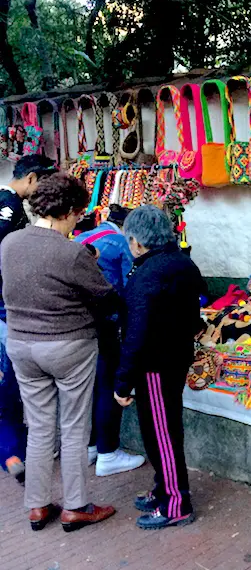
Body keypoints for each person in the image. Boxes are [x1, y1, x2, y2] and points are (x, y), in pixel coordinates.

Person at [1, 174, 116, 532]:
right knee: (74, 426)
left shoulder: (10, 243)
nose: (78, 221)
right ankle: (77, 505)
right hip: (68, 344)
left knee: (38, 427)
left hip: (20, 344)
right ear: (67, 211)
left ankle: (36, 506)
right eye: (78, 214)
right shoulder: (71, 251)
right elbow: (106, 296)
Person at [114, 205, 206, 530]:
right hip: (174, 358)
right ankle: (163, 487)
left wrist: (122, 382)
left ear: (137, 242)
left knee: (162, 435)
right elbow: (196, 309)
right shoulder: (183, 263)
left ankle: (176, 504)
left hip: (155, 364)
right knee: (162, 432)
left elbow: (136, 333)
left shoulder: (148, 273)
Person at [0, 154, 59, 484]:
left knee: (11, 389)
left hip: (8, 310)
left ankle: (13, 454)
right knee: (11, 388)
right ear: (32, 179)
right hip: (7, 310)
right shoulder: (8, 206)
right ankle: (14, 454)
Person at [75, 204, 145, 476]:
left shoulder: (81, 238)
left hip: (80, 325)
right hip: (106, 323)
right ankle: (108, 453)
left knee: (90, 386)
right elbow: (132, 284)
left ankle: (91, 447)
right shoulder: (121, 243)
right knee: (108, 386)